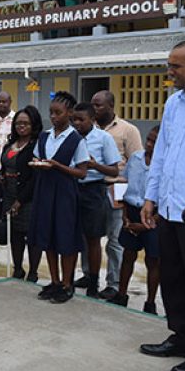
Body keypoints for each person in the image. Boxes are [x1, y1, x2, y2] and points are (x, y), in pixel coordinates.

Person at [140, 40, 185, 371]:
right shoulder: (173, 104)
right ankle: (181, 337)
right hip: (169, 208)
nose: (170, 72)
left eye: (176, 66)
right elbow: (161, 156)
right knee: (174, 279)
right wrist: (150, 199)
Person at [28, 92, 89, 304]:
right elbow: (38, 157)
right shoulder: (44, 136)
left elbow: (82, 172)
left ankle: (67, 283)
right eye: (51, 113)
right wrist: (38, 163)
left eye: (58, 113)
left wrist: (58, 166)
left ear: (70, 113)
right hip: (45, 190)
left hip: (65, 193)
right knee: (48, 238)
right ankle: (54, 281)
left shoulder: (76, 140)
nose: (53, 117)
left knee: (66, 239)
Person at [85, 90, 143, 300]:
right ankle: (88, 275)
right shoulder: (87, 129)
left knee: (115, 239)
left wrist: (128, 193)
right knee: (89, 236)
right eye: (92, 104)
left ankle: (114, 282)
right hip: (93, 187)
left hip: (116, 187)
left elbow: (136, 163)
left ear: (111, 106)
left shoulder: (128, 130)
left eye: (99, 105)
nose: (95, 108)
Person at [72, 102, 121, 298]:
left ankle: (93, 283)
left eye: (81, 120)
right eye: (74, 119)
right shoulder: (70, 137)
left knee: (93, 239)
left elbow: (114, 170)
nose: (77, 123)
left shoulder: (103, 138)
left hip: (93, 190)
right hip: (73, 188)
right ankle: (69, 278)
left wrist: (94, 165)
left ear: (92, 120)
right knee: (73, 236)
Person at [109, 126, 160, 314]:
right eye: (149, 139)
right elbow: (124, 183)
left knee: (153, 260)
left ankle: (150, 302)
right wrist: (125, 216)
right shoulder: (136, 159)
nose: (149, 144)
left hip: (153, 216)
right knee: (128, 255)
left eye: (155, 142)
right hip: (131, 212)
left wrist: (148, 223)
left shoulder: (163, 164)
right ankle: (121, 295)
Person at [0, 106, 43, 281]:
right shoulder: (10, 144)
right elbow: (4, 165)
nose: (21, 126)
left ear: (34, 125)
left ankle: (33, 272)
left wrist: (20, 200)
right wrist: (1, 176)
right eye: (18, 123)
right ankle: (18, 269)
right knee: (14, 234)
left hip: (28, 197)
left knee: (31, 235)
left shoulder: (37, 145)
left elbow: (35, 177)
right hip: (8, 194)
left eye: (26, 123)